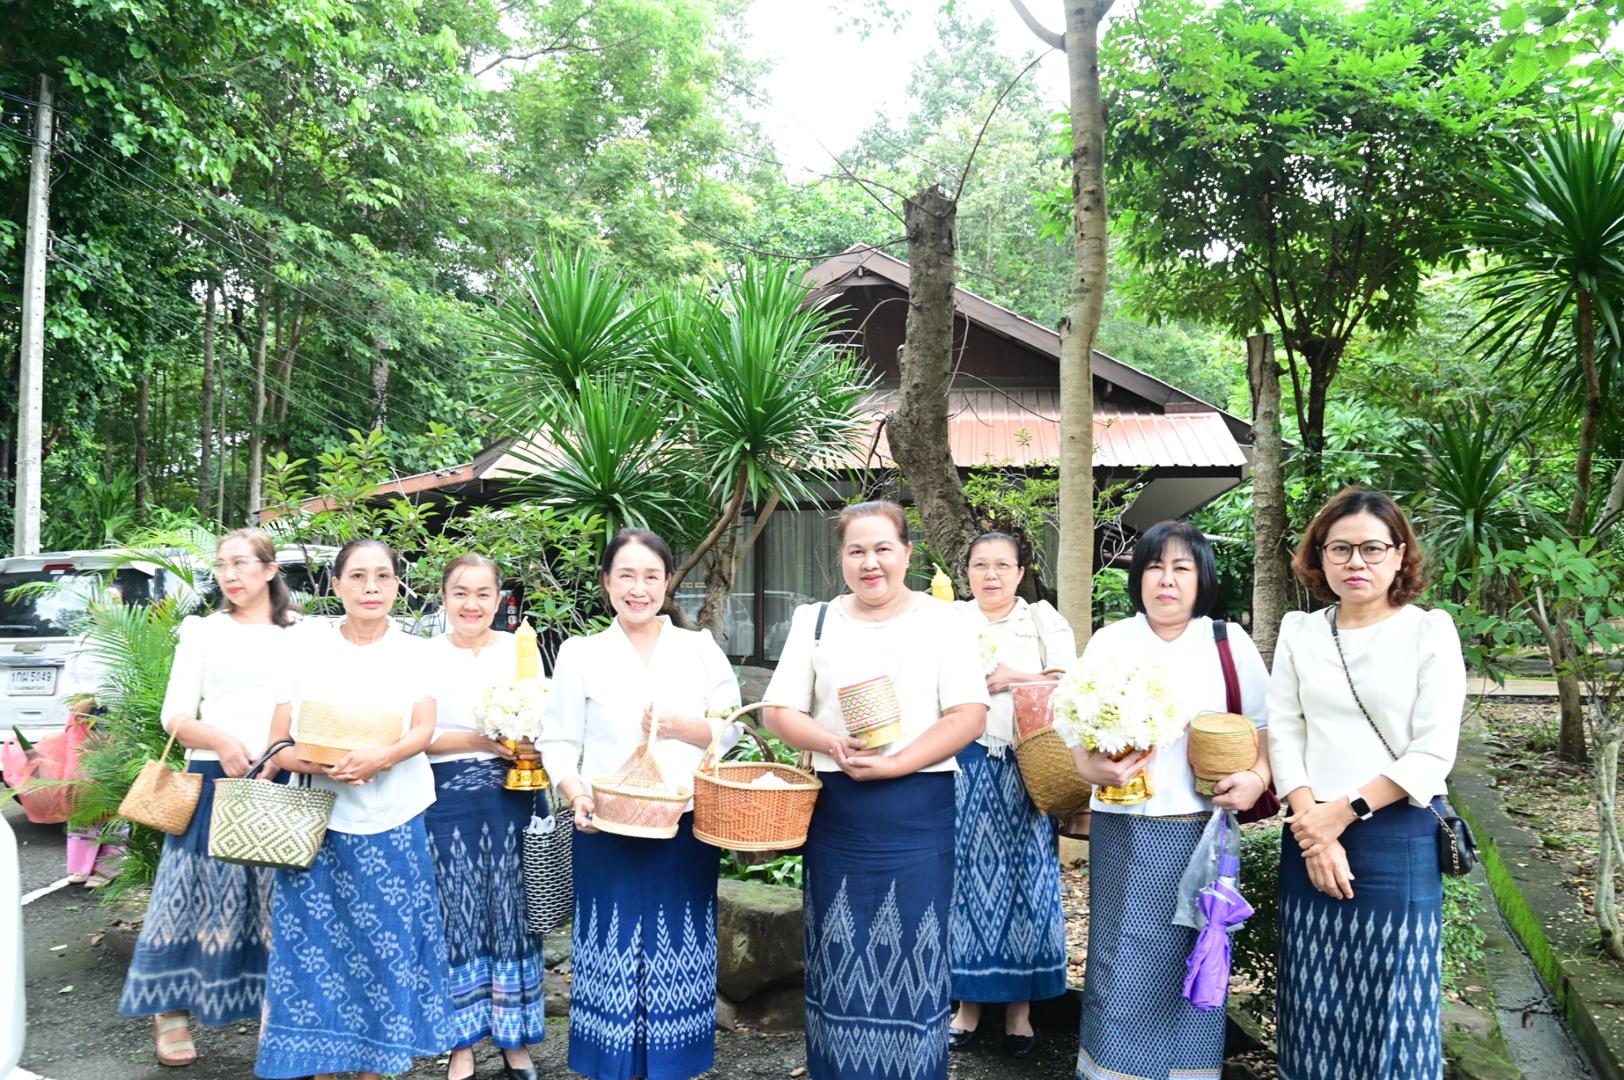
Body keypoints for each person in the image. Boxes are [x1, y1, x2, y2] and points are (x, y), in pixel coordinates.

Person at [763, 501, 989, 1080]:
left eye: (883, 548)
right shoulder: (815, 620)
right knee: (838, 954)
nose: (870, 563)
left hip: (918, 810)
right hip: (838, 812)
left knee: (915, 953)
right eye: (856, 550)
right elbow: (779, 711)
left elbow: (968, 715)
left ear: (907, 554)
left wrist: (897, 765)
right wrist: (830, 743)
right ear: (841, 558)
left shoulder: (945, 621)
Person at [1268, 488, 1465, 1080]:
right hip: (1308, 834)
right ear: (1320, 557)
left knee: (1393, 1000)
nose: (1356, 562)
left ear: (1399, 555)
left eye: (1372, 549)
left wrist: (1340, 815)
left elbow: (1432, 753)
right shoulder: (1300, 631)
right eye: (1341, 548)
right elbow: (1285, 730)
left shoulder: (1429, 631)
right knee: (1312, 996)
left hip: (1396, 835)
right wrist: (1315, 830)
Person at [1068, 520, 1271, 1080]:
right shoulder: (1111, 641)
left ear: (1202, 578)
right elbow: (1076, 730)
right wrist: (1090, 766)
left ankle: (1188, 1071)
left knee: (1195, 949)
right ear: (1138, 577)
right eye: (1155, 567)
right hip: (1123, 822)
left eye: (1182, 568)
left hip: (1201, 826)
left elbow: (1265, 729)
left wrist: (1256, 778)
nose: (1166, 580)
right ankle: (1111, 1070)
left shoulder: (1228, 643)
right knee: (1119, 952)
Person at [540, 528, 741, 1080]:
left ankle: (675, 1063)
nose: (639, 588)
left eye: (651, 576)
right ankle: (611, 1065)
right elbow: (558, 739)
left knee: (679, 942)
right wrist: (576, 793)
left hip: (684, 825)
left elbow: (731, 728)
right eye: (625, 575)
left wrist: (681, 726)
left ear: (668, 581)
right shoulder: (581, 653)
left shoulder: (698, 648)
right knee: (611, 943)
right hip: (605, 826)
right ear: (606, 582)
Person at [254, 539, 454, 1080]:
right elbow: (277, 743)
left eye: (383, 576)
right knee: (317, 955)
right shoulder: (305, 651)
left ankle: (373, 1069)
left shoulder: (418, 652)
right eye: (358, 576)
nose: (371, 587)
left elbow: (423, 729)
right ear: (336, 584)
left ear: (397, 585)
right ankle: (321, 1069)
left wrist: (382, 757)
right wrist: (319, 764)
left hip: (396, 822)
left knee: (386, 952)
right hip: (319, 828)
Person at [117, 528, 299, 1068]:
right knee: (188, 894)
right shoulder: (202, 631)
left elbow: (309, 705)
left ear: (270, 569)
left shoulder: (305, 633)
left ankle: (275, 1014)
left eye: (241, 563)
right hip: (211, 776)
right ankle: (169, 1009)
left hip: (279, 776)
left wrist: (278, 753)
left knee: (274, 900)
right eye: (222, 565)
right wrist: (220, 741)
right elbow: (174, 715)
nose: (229, 575)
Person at [947, 532, 1074, 1057]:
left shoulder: (1042, 620)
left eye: (1002, 565)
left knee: (1028, 879)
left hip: (1028, 766)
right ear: (967, 572)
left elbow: (1074, 687)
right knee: (963, 879)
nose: (991, 575)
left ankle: (1021, 1010)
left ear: (1021, 572)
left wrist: (1011, 678)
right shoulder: (948, 621)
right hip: (962, 762)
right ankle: (967, 1005)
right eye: (980, 565)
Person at [424, 554, 544, 1080]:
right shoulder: (425, 655)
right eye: (460, 592)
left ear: (499, 599)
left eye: (482, 593)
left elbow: (543, 717)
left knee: (513, 913)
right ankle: (462, 1044)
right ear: (444, 598)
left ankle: (515, 1041)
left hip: (511, 795)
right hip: (444, 798)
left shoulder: (520, 648)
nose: (471, 604)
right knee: (455, 914)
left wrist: (524, 741)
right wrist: (479, 740)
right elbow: (418, 736)